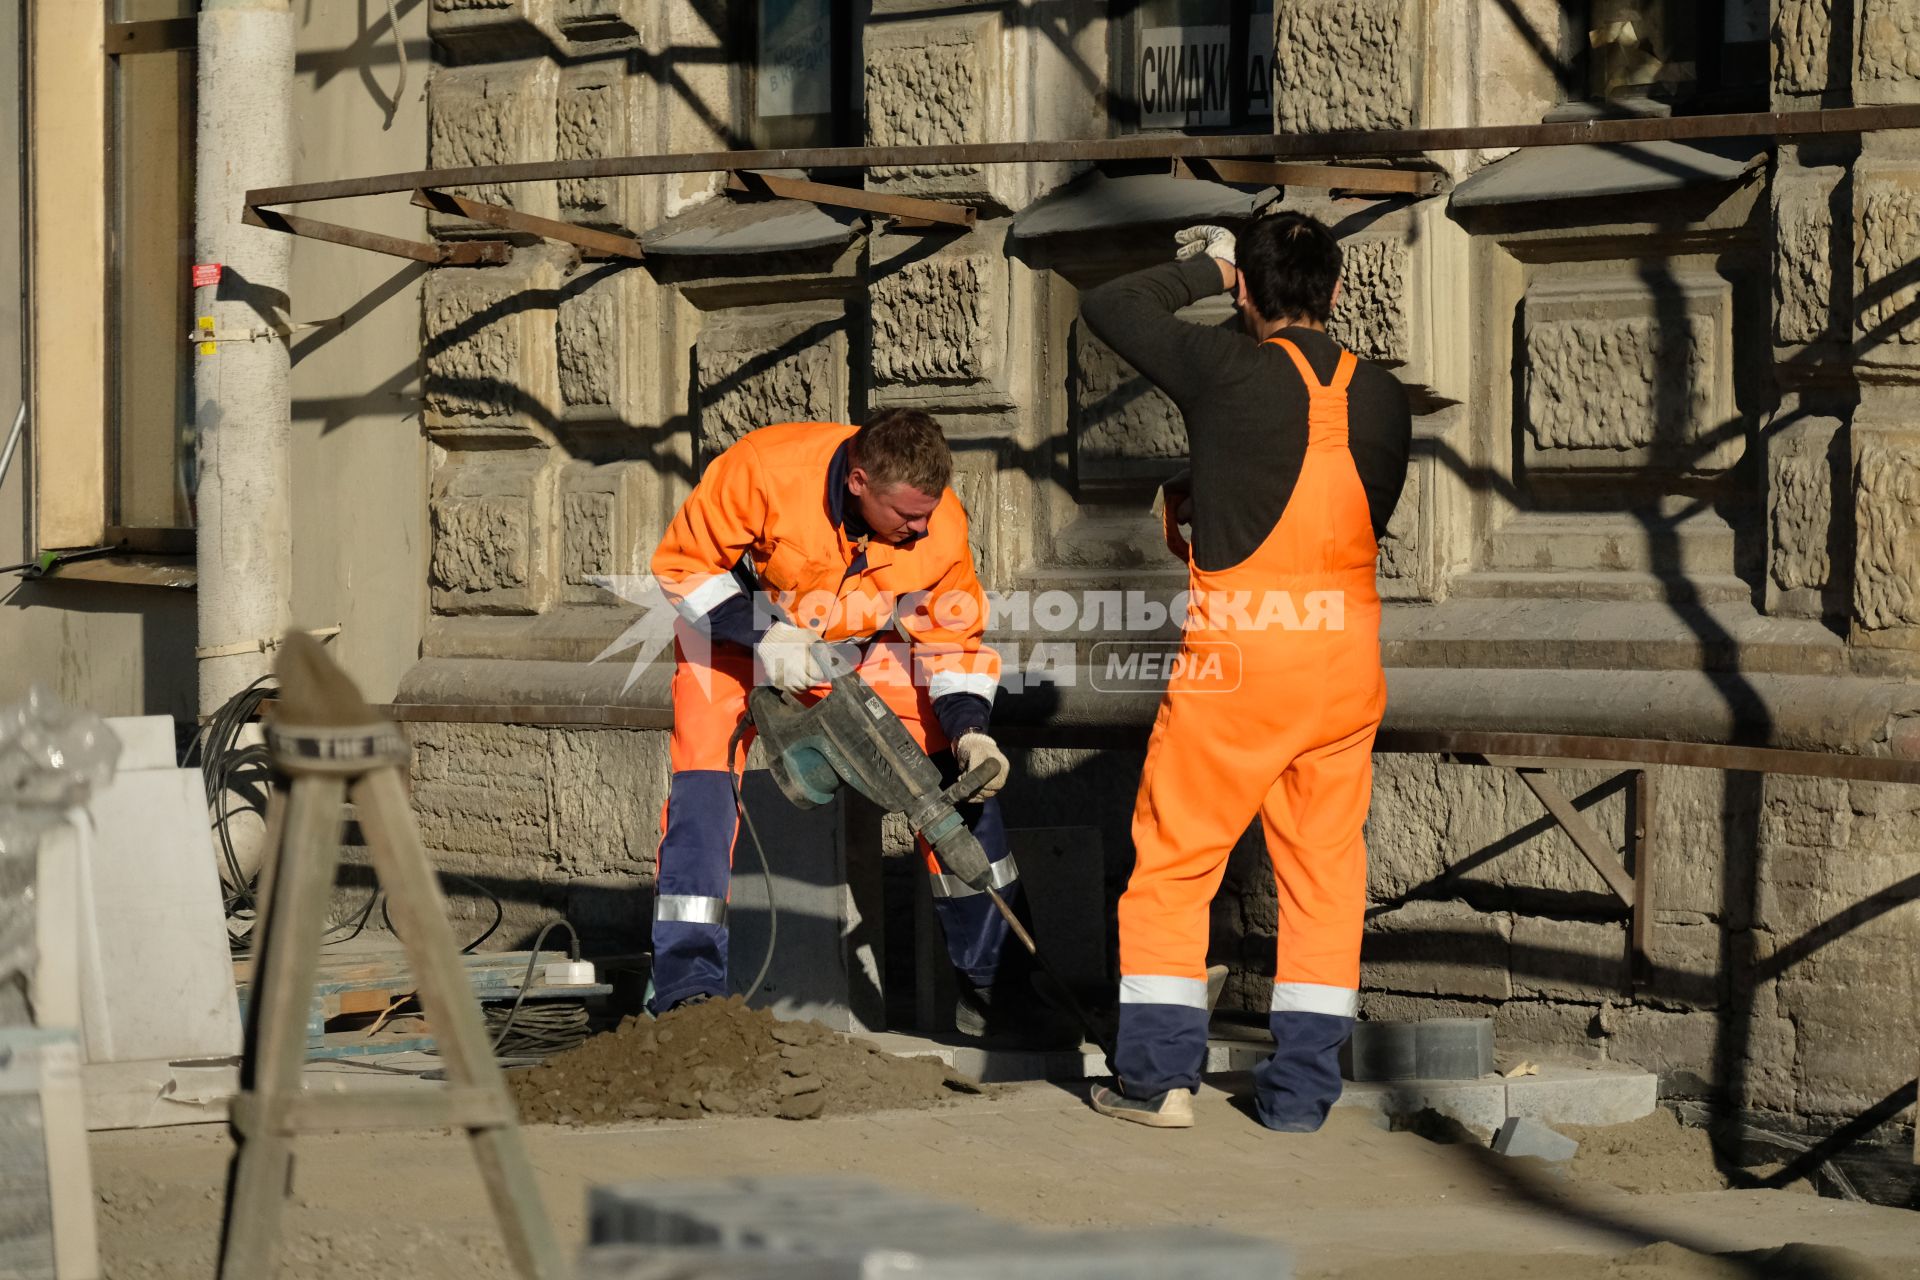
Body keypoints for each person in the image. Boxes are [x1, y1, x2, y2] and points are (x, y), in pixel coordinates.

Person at [1077, 213, 1412, 1130]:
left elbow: (1110, 305)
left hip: (1246, 657)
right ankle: (1302, 1098)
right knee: (1324, 875)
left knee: (1177, 861)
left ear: (1249, 296)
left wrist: (1206, 267)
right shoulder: (1384, 396)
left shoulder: (1227, 369)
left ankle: (1154, 1082)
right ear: (1337, 293)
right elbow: (1319, 482)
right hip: (1345, 661)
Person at [648, 408, 1056, 1039]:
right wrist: (765, 635)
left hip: (849, 647)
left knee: (955, 775)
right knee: (703, 784)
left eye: (928, 512)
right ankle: (687, 991)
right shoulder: (765, 469)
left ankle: (996, 989)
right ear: (860, 481)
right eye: (907, 516)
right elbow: (683, 567)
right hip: (731, 638)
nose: (921, 529)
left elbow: (950, 640)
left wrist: (972, 728)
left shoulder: (937, 523)